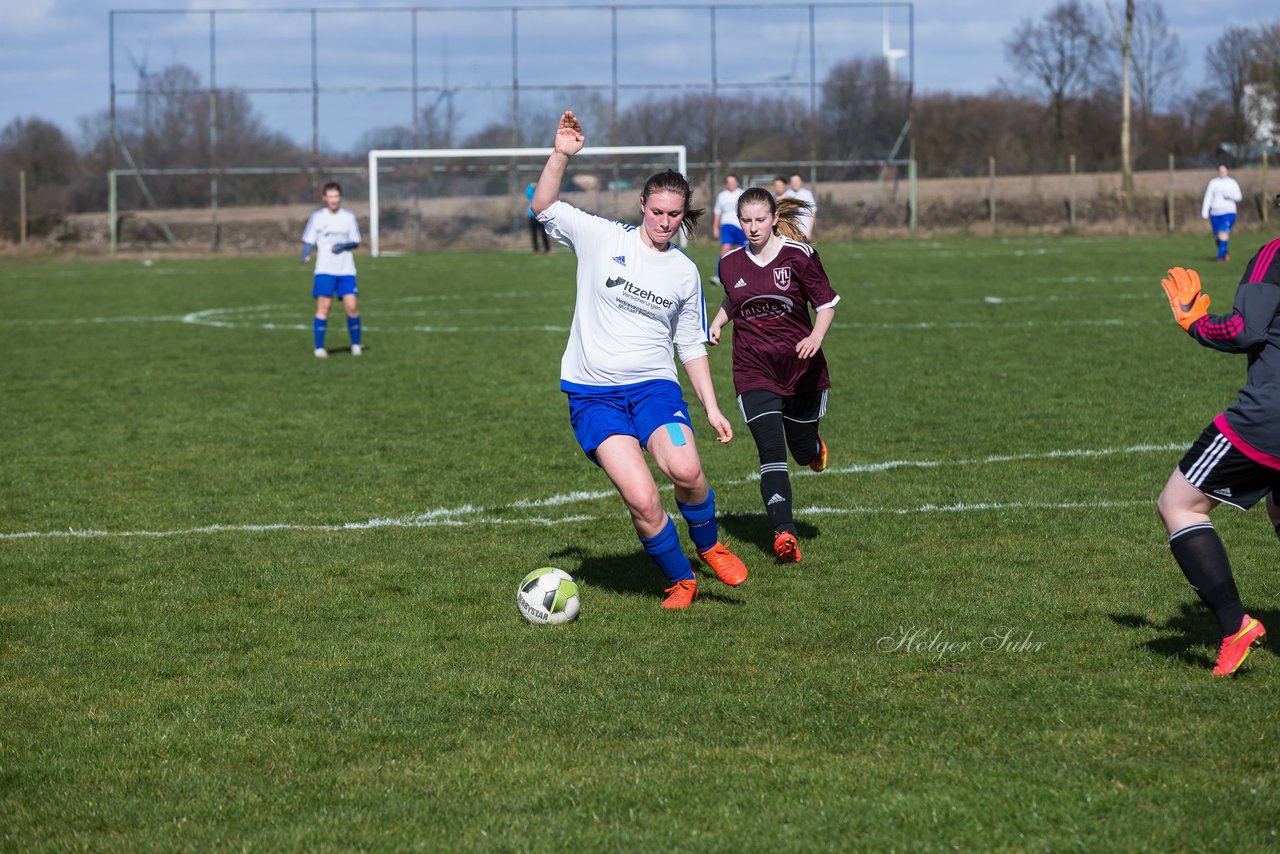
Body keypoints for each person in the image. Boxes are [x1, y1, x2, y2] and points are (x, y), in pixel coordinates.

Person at [529, 110, 749, 609]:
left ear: (683, 214)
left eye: (674, 215)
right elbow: (542, 205)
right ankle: (680, 579)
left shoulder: (684, 273)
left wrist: (712, 408)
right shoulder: (601, 237)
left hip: (654, 389)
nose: (664, 223)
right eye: (657, 212)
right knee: (644, 499)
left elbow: (690, 345)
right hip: (594, 396)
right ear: (643, 205)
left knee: (688, 471)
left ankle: (710, 545)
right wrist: (561, 155)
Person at [1157, 233, 1280, 676]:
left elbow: (1244, 329)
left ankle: (1235, 626)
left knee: (1179, 504)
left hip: (1270, 419)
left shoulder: (1275, 252)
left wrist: (1195, 321)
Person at [709, 188, 837, 564]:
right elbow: (734, 297)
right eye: (745, 221)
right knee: (771, 453)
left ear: (773, 219)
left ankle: (813, 447)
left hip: (801, 370)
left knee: (800, 451)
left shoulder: (800, 256)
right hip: (753, 370)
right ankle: (785, 534)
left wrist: (815, 336)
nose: (752, 228)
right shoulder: (730, 263)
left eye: (759, 220)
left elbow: (826, 304)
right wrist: (718, 322)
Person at [301, 182, 363, 358]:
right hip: (325, 269)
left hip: (346, 270)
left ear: (340, 197)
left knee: (352, 307)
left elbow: (356, 241)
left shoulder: (348, 217)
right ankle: (319, 348)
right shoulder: (317, 217)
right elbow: (309, 239)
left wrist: (342, 247)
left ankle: (355, 345)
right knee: (324, 306)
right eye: (330, 197)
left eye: (336, 196)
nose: (333, 200)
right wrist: (306, 254)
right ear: (324, 198)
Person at [1201, 163, 1243, 263]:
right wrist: (1204, 211)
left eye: (1224, 170)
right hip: (1215, 213)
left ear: (1227, 171)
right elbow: (1208, 196)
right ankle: (1225, 252)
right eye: (1220, 170)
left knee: (1223, 234)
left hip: (1228, 212)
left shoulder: (1232, 183)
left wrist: (1229, 195)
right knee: (1217, 236)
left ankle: (1220, 258)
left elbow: (1239, 197)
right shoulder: (1213, 182)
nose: (1222, 172)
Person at [710, 174, 746, 284]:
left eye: (733, 181)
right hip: (727, 225)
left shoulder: (743, 194)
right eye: (728, 182)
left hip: (740, 226)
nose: (731, 184)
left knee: (740, 250)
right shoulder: (722, 196)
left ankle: (741, 275)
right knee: (725, 249)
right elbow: (717, 212)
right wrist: (715, 227)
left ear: (737, 182)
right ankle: (718, 275)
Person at [783, 173, 817, 240]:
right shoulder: (787, 194)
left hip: (804, 231)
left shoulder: (807, 194)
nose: (795, 183)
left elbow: (812, 213)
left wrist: (809, 230)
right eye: (793, 181)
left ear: (801, 182)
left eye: (797, 181)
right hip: (790, 232)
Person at [524, 181, 552, 255]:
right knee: (534, 234)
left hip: (541, 216)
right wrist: (531, 185)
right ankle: (536, 250)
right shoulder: (531, 194)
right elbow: (527, 192)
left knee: (544, 234)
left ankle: (548, 249)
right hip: (532, 216)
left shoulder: (541, 194)